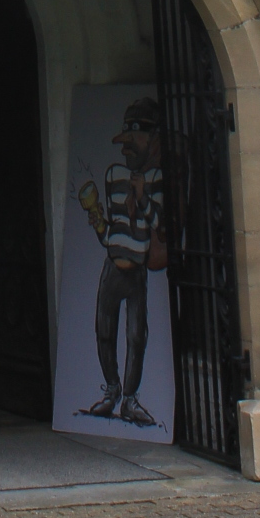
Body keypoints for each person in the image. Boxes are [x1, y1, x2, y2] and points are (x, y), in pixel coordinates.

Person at [76, 95, 168, 425]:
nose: (126, 149)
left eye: (133, 142)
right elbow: (112, 229)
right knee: (104, 330)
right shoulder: (114, 175)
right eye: (125, 143)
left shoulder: (157, 179)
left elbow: (159, 226)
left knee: (136, 336)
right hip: (112, 266)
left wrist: (142, 198)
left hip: (138, 271)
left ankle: (129, 399)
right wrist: (98, 222)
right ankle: (111, 391)